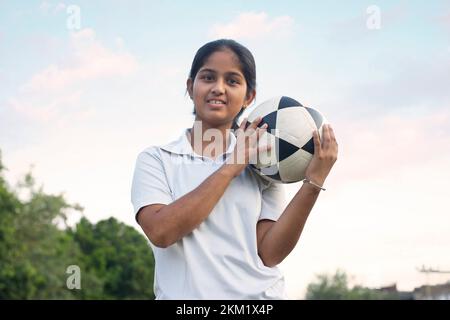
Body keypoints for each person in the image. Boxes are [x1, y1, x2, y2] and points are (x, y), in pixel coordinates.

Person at [131, 39, 338, 300]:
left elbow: (270, 254)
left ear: (249, 96)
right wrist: (231, 167)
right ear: (190, 85)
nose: (218, 88)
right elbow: (161, 232)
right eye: (208, 77)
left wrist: (313, 182)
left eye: (232, 81)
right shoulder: (157, 159)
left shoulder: (263, 162)